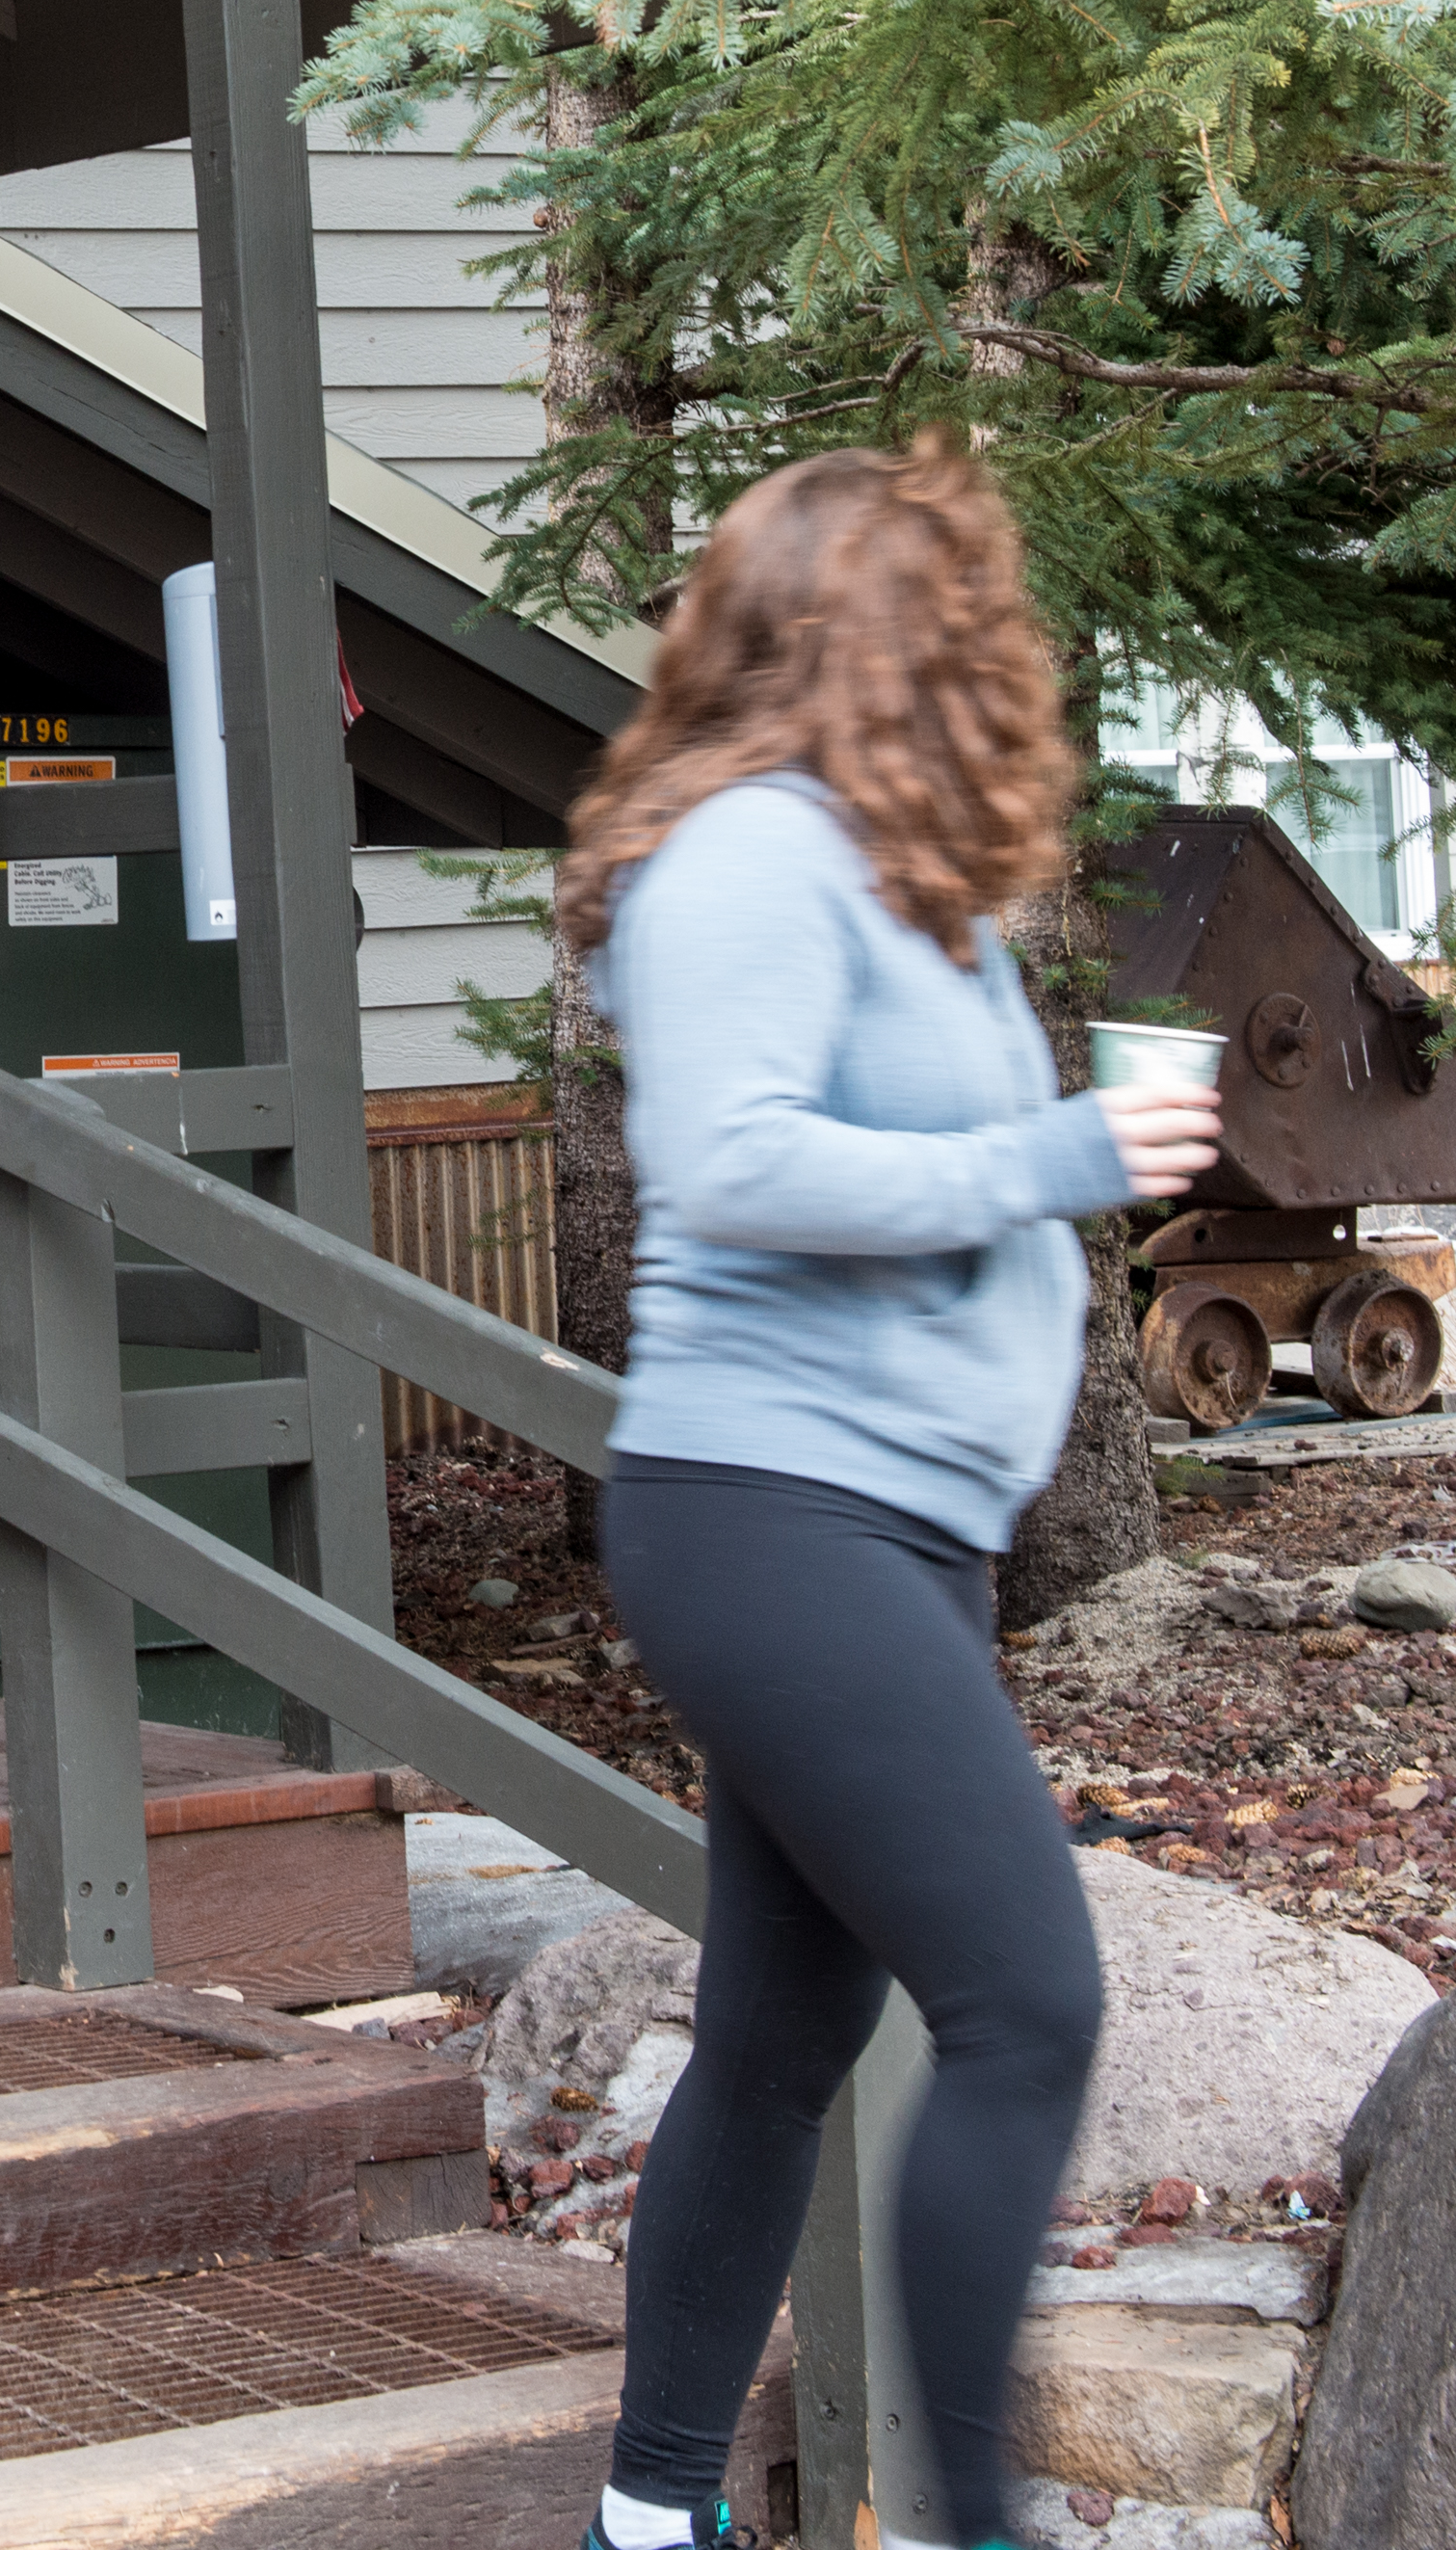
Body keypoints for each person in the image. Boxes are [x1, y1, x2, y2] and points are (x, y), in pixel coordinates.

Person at [558, 438, 1224, 2550]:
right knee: (1028, 2002)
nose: (989, 658)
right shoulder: (749, 856)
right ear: (862, 638)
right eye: (957, 621)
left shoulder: (892, 892)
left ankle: (646, 2522)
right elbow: (732, 1162)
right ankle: (968, 2528)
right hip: (775, 1512)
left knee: (776, 2032)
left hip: (877, 1526)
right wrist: (1055, 1164)